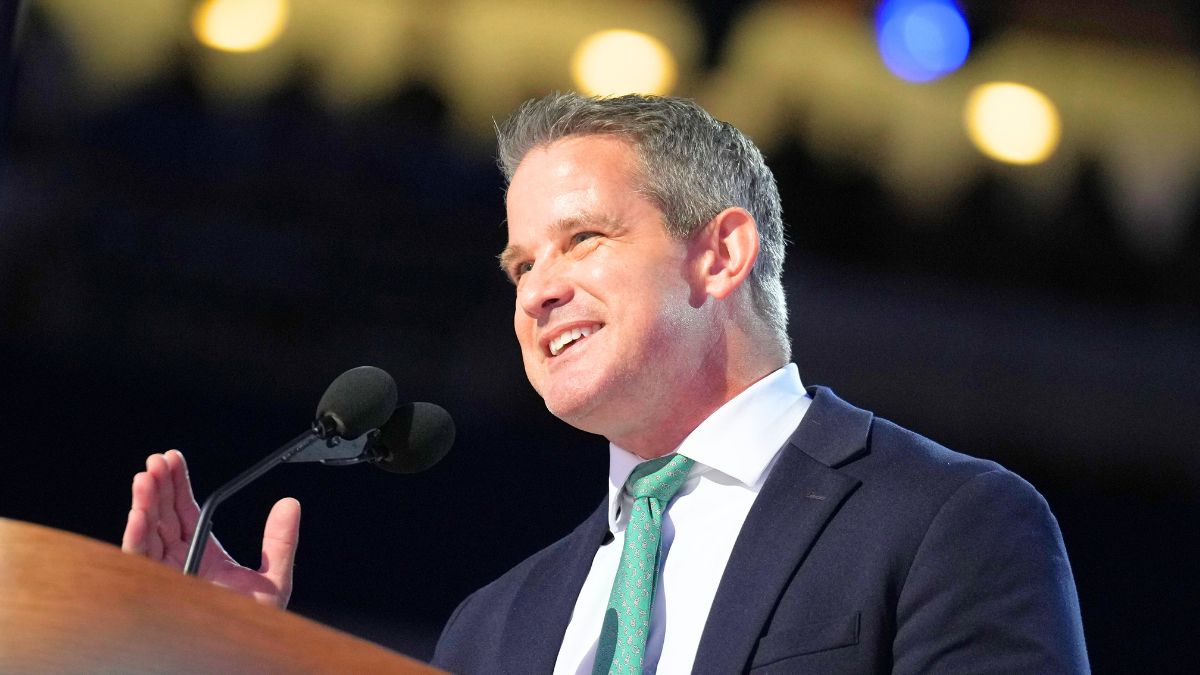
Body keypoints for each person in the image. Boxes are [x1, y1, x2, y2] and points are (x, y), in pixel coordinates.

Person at [123, 93, 1089, 673]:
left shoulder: (949, 524)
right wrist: (232, 657)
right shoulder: (495, 626)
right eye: (518, 266)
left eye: (581, 238)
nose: (538, 290)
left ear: (719, 255)